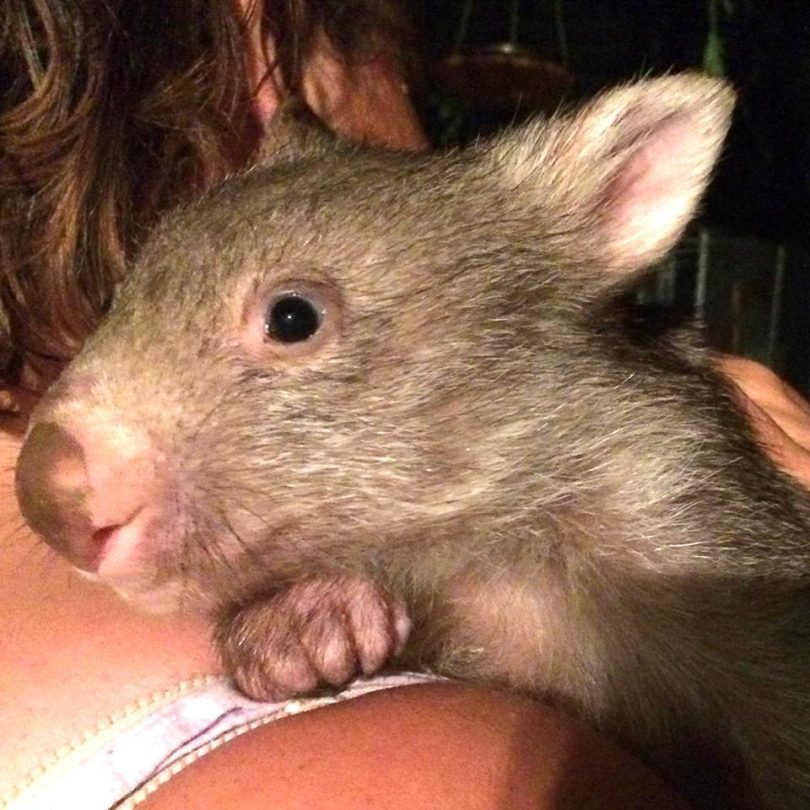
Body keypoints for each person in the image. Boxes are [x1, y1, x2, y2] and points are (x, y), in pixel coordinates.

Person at [1, 2, 809, 807]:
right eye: (400, 65)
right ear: (263, 45)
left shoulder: (658, 498)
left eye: (294, 320)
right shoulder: (456, 769)